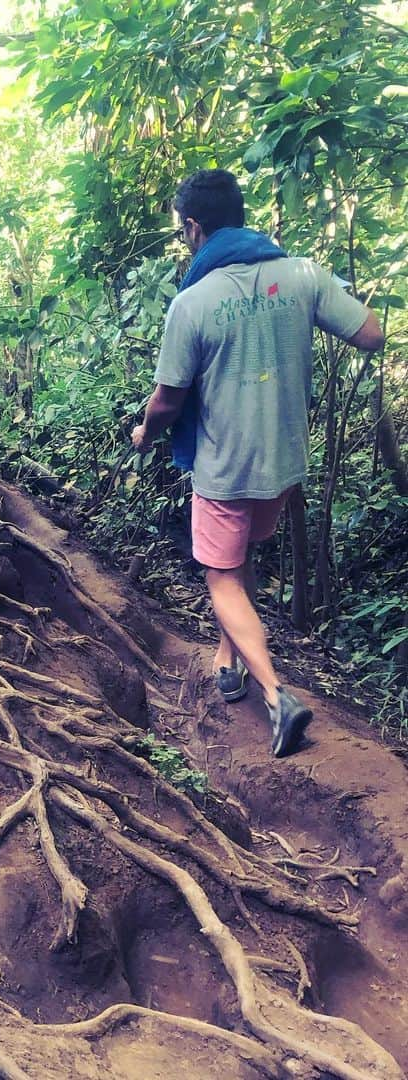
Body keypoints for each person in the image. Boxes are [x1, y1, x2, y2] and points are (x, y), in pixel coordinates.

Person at [131, 168, 384, 757]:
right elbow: (371, 334)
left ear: (194, 228)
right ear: (241, 216)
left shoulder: (192, 303)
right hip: (283, 462)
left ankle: (276, 697)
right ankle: (228, 658)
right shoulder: (301, 274)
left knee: (220, 577)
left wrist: (146, 431)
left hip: (224, 468)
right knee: (238, 561)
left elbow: (168, 398)